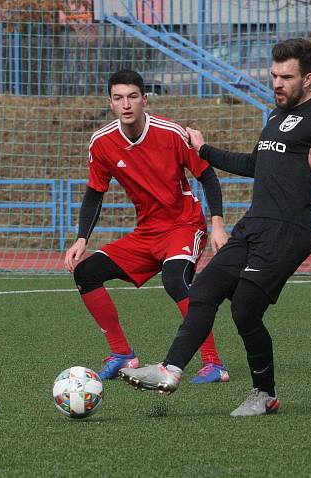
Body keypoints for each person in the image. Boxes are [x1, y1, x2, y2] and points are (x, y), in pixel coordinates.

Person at [119, 38, 311, 416]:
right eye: (274, 75)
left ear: (308, 79)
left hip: (288, 232)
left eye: (286, 77)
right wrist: (204, 150)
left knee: (244, 309)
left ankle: (265, 394)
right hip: (254, 224)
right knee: (205, 288)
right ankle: (170, 369)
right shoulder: (275, 116)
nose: (276, 83)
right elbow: (254, 164)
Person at [65, 69, 231, 384]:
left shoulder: (171, 133)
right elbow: (94, 193)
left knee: (175, 280)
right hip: (146, 234)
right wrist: (81, 239)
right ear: (110, 103)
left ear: (144, 99)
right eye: (118, 98)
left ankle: (214, 363)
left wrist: (218, 224)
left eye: (132, 96)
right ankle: (122, 354)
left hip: (184, 226)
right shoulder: (101, 143)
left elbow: (207, 176)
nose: (126, 104)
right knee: (86, 272)